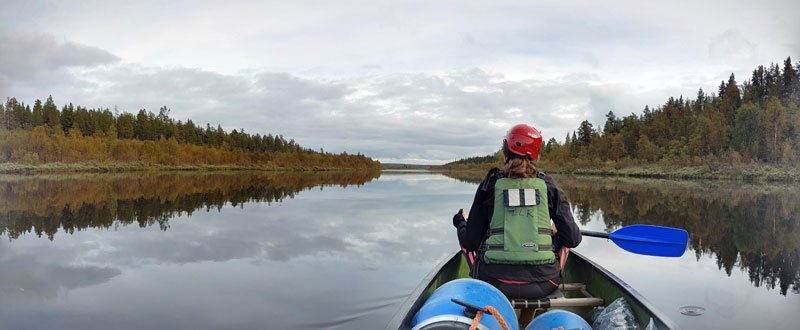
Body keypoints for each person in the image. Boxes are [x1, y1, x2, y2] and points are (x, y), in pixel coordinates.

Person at [453, 123, 581, 300]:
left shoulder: (489, 186)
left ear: (506, 150)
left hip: (493, 281)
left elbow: (471, 242)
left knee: (470, 239)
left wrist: (460, 222)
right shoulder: (549, 186)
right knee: (565, 237)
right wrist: (553, 231)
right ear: (536, 154)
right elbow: (573, 239)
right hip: (545, 283)